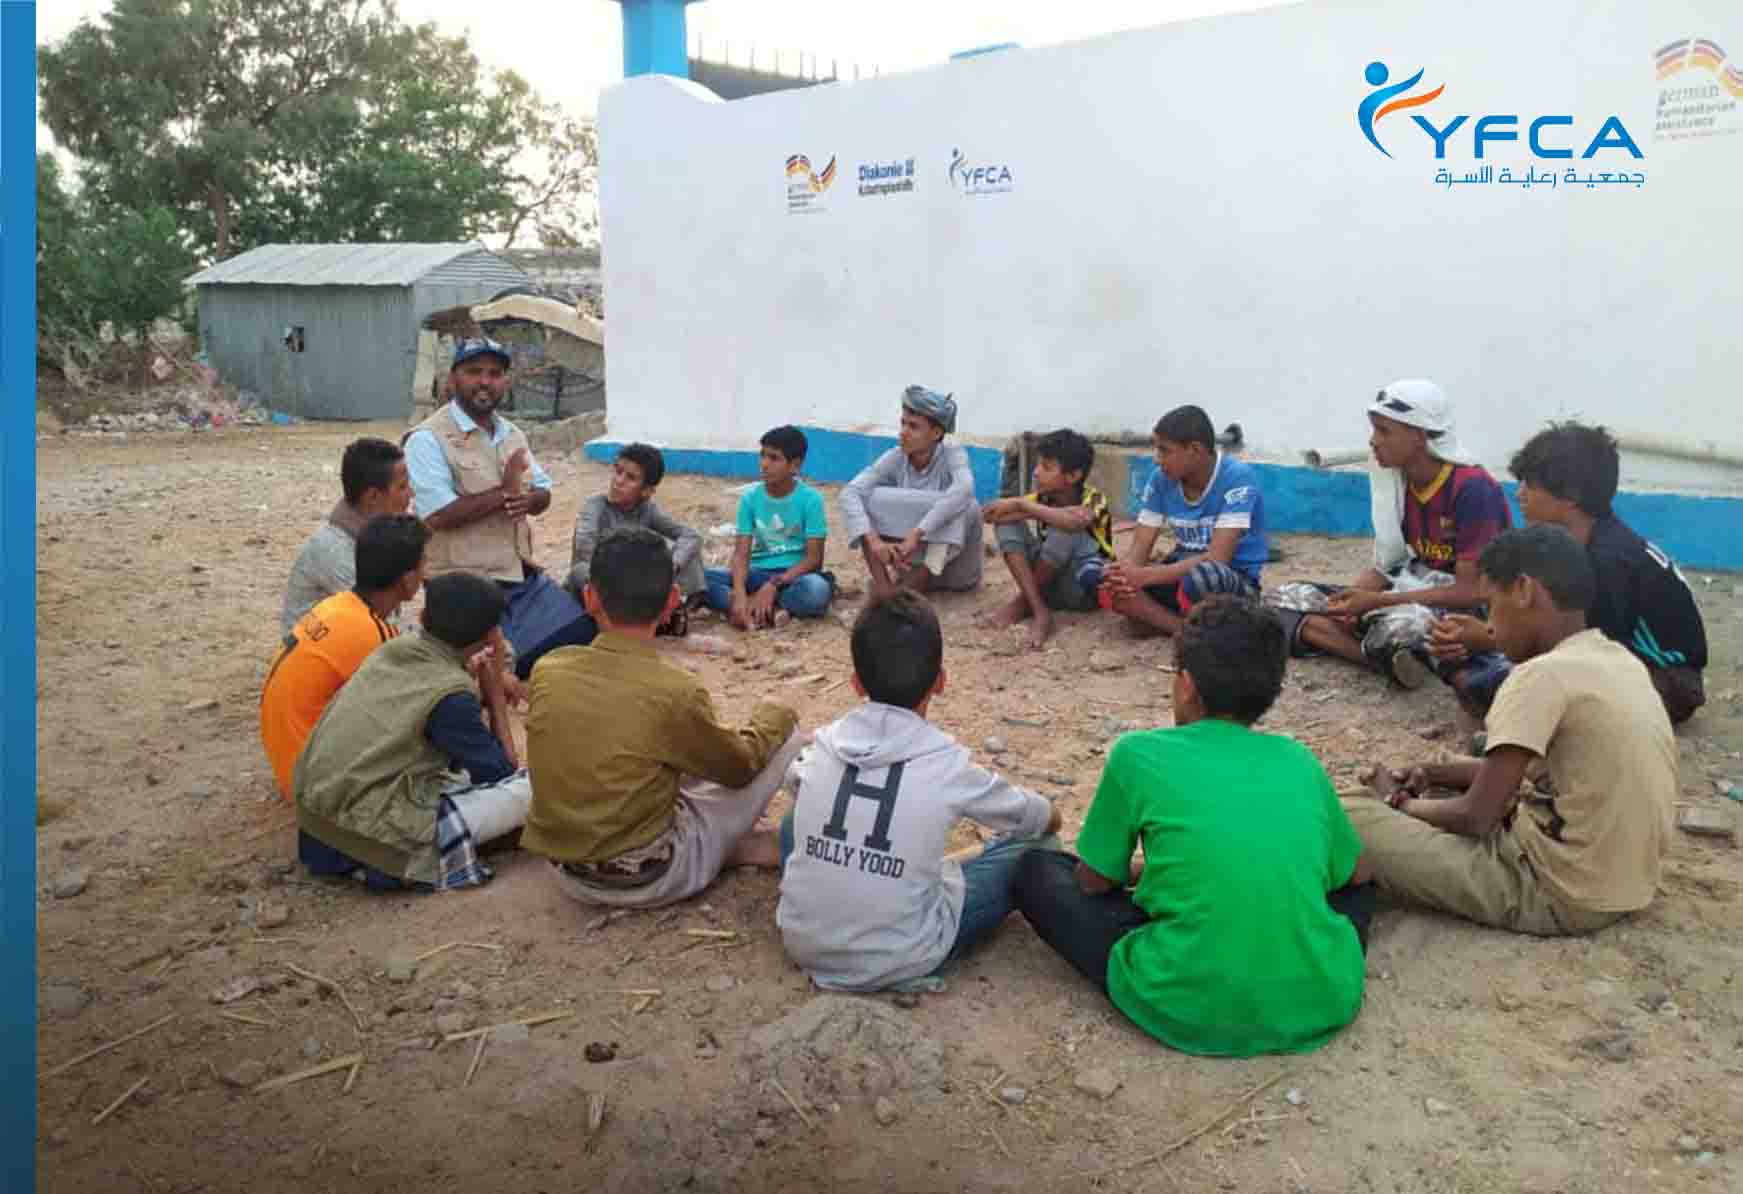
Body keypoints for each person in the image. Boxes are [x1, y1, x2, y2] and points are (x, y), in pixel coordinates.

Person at [1014, 597, 1372, 1056]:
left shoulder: (1137, 754)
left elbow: (1092, 881)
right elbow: (1356, 874)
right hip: (1322, 998)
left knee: (1037, 872)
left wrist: (1142, 872)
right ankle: (1295, 954)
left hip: (1187, 1005)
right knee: (1355, 886)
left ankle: (1188, 953)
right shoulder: (1300, 761)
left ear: (1185, 686)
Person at [1343, 525, 1677, 935]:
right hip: (1625, 883)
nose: (1491, 627)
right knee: (1465, 761)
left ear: (1522, 591)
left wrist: (1396, 801)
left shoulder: (1540, 676)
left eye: (1490, 606)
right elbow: (1547, 770)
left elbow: (1475, 817)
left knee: (1349, 813)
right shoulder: (1615, 660)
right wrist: (1432, 773)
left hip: (1556, 892)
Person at [777, 591, 1062, 991]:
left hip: (803, 944)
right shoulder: (947, 763)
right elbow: (1039, 818)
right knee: (1040, 849)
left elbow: (792, 780)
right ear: (941, 681)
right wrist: (1051, 814)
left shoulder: (824, 743)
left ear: (857, 684)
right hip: (901, 953)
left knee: (799, 817)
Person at [525, 528, 805, 909]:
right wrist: (777, 711)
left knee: (662, 763)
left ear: (590, 597)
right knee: (786, 739)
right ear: (673, 601)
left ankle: (722, 846)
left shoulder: (548, 668)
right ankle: (728, 849)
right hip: (650, 879)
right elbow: (739, 768)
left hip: (566, 872)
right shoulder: (675, 690)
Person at [1429, 421, 1707, 723]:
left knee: (1531, 685)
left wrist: (1488, 638)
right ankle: (1474, 678)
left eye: (1529, 485)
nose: (1519, 494)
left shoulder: (1608, 561)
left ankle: (1488, 696)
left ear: (1571, 495)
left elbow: (1593, 651)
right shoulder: (1577, 542)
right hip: (1618, 659)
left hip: (1666, 681)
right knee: (1497, 651)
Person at [1272, 379, 1511, 700]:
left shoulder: (1472, 488)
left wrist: (1375, 603)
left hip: (1455, 608)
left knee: (1399, 629)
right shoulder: (1396, 480)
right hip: (1405, 588)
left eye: (1384, 431)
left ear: (1418, 435)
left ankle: (1359, 643)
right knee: (1282, 596)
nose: (1373, 442)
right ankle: (1386, 659)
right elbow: (1389, 563)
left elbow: (1471, 592)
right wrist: (1352, 598)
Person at [294, 571, 533, 891]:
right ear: (492, 637)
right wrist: (495, 699)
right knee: (530, 789)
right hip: (370, 842)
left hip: (316, 830)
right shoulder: (451, 696)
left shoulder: (392, 650)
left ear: (422, 617)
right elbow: (501, 772)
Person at [404, 337, 584, 679]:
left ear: (506, 381)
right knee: (491, 668)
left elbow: (543, 492)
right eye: (474, 372)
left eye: (495, 373)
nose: (485, 381)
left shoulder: (512, 434)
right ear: (453, 379)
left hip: (515, 573)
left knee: (576, 636)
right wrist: (504, 493)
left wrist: (529, 500)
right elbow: (438, 515)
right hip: (462, 581)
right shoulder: (427, 439)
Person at [261, 514, 429, 802]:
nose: (426, 572)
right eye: (423, 563)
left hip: (288, 757)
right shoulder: (373, 633)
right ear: (408, 579)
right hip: (313, 783)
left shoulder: (336, 606)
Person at [1103, 405, 1268, 637]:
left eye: (1164, 451)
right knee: (1104, 577)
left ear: (1195, 450)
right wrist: (1124, 576)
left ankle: (1167, 623)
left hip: (1230, 579)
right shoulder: (1162, 479)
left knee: (1205, 578)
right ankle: (1186, 629)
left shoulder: (1237, 478)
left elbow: (1218, 559)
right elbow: (1140, 548)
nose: (1157, 459)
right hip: (1178, 572)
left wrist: (1142, 577)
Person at [839, 385, 984, 596]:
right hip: (907, 567)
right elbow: (850, 493)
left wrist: (917, 533)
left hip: (956, 574)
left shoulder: (952, 453)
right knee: (867, 497)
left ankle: (910, 593)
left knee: (966, 504)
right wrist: (875, 541)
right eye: (903, 423)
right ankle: (885, 589)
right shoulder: (896, 456)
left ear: (936, 433)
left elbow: (965, 488)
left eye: (914, 426)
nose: (903, 432)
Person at [981, 428, 1115, 649]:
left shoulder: (1095, 498)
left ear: (1073, 476)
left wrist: (1023, 505)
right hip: (1048, 584)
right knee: (1006, 523)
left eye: (1046, 467)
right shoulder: (1042, 498)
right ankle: (1038, 608)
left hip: (1081, 589)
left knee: (1066, 530)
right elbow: (994, 515)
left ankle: (1023, 604)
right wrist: (1020, 507)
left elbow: (1075, 522)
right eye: (1037, 464)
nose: (1036, 472)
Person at [704, 425, 834, 629]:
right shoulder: (750, 499)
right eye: (762, 455)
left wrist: (773, 585)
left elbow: (814, 559)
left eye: (774, 458)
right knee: (699, 577)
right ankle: (765, 610)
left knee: (816, 590)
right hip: (756, 573)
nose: (764, 464)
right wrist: (739, 594)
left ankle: (755, 606)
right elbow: (741, 554)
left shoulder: (811, 500)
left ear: (795, 465)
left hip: (793, 577)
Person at [569, 442, 705, 636]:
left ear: (646, 491)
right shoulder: (595, 506)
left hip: (636, 584)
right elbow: (584, 548)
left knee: (683, 551)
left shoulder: (648, 510)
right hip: (602, 581)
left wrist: (670, 568)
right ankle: (650, 620)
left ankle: (676, 609)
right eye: (618, 472)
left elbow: (691, 535)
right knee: (579, 571)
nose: (618, 481)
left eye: (630, 478)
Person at [281, 437, 413, 634]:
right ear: (373, 497)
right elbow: (382, 627)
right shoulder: (337, 551)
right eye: (402, 487)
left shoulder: (369, 536)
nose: (412, 494)